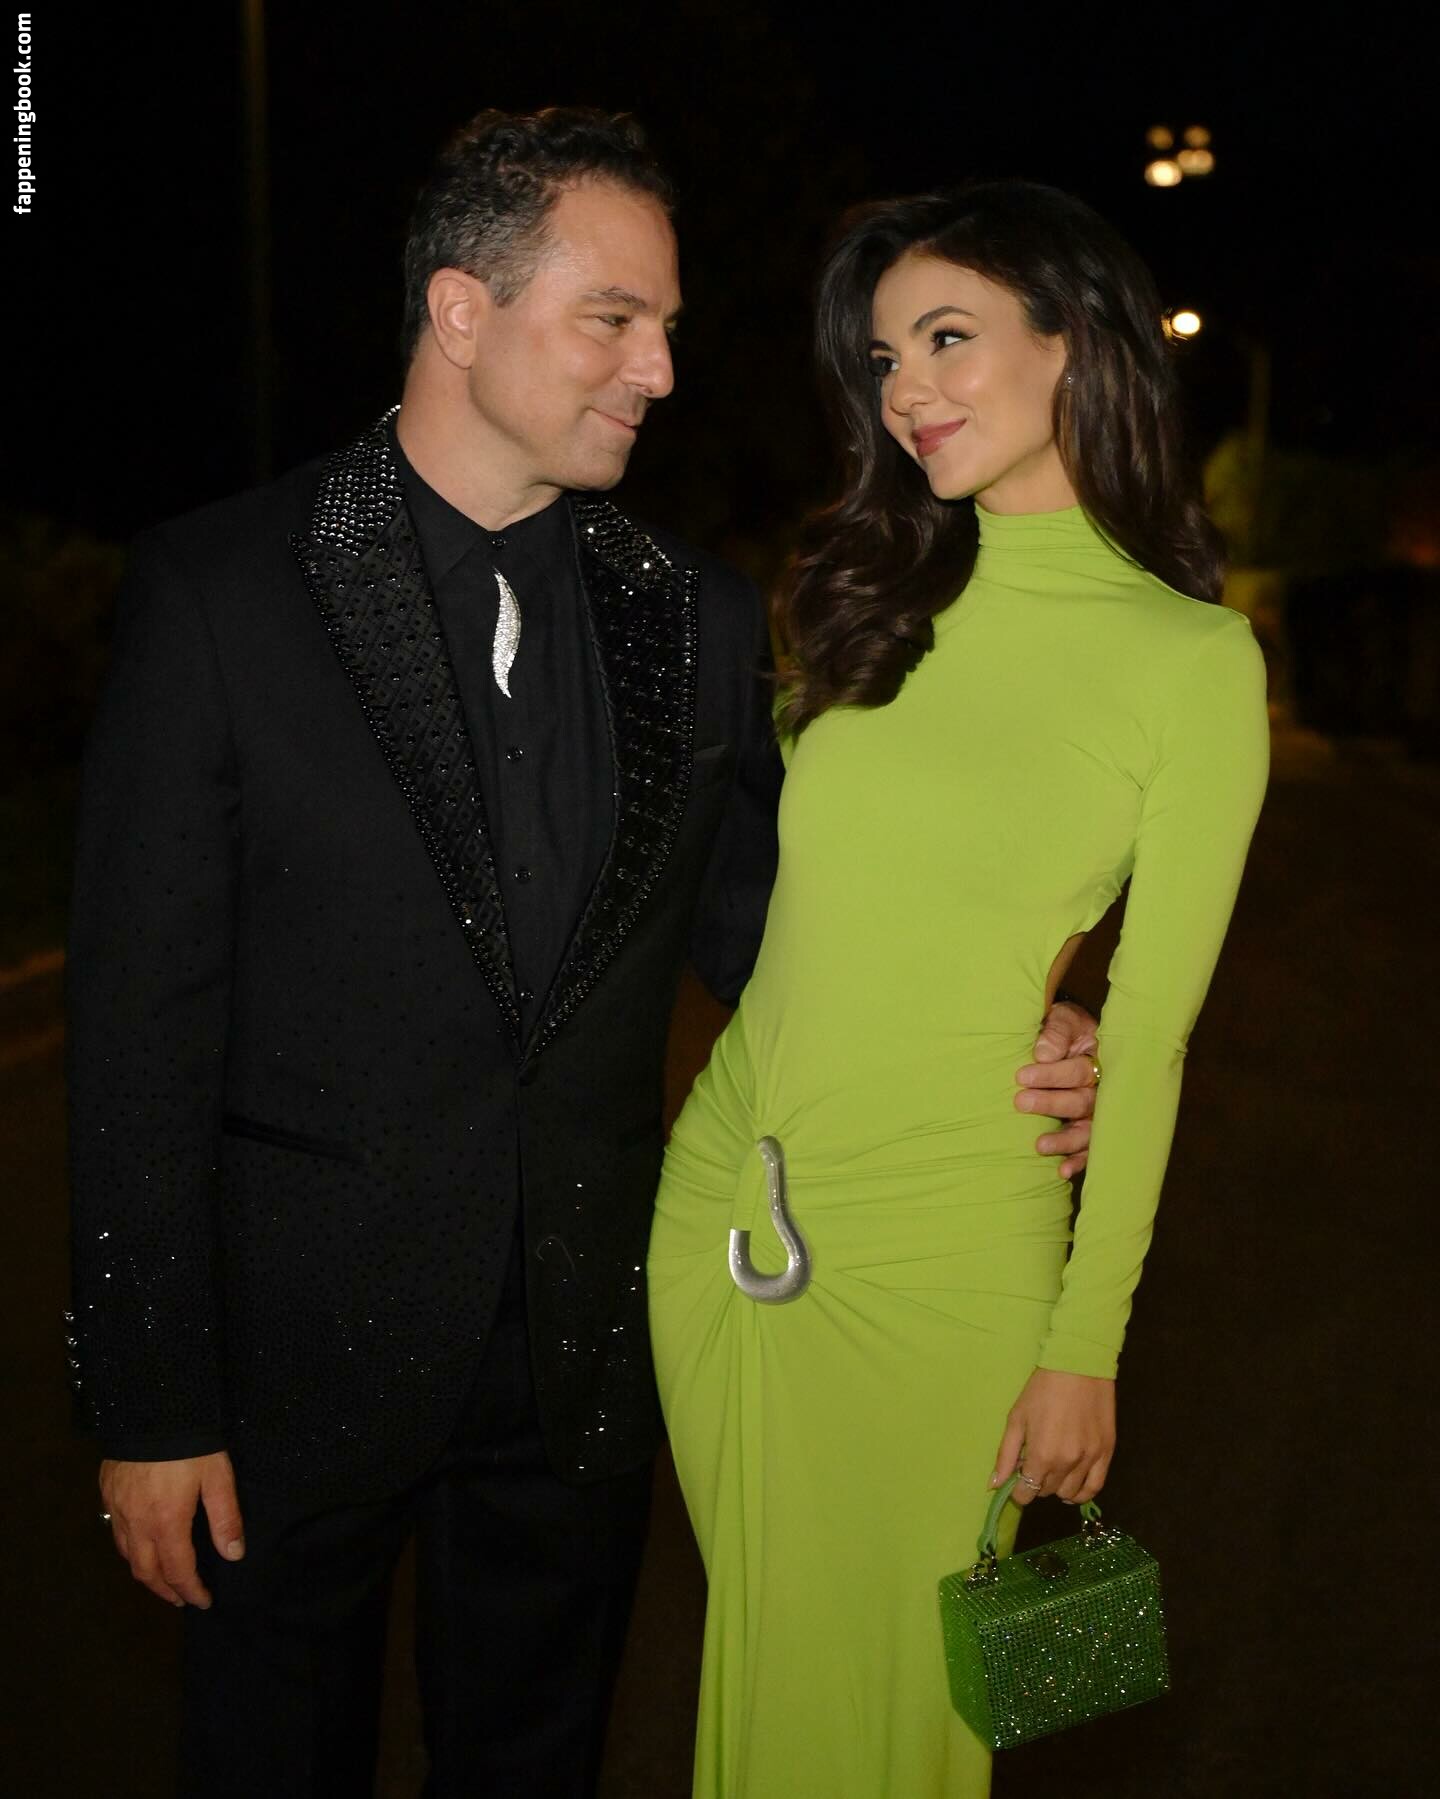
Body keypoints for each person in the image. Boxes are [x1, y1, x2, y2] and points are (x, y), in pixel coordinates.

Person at [64, 117, 1100, 1796]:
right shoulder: (224, 592)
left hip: (584, 1363)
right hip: (291, 1373)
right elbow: (136, 1034)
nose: (661, 371)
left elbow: (785, 943)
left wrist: (1015, 1035)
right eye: (614, 320)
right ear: (461, 311)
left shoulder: (695, 618)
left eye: (668, 326)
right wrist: (149, 1403)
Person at [648, 180, 1270, 1797]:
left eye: (945, 339)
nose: (906, 390)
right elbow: (810, 909)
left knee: (900, 1717)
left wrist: (1086, 1344)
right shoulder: (871, 601)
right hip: (723, 1216)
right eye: (882, 358)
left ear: (1075, 345)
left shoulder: (1193, 663)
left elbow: (1156, 1036)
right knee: (771, 1669)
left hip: (946, 1259)